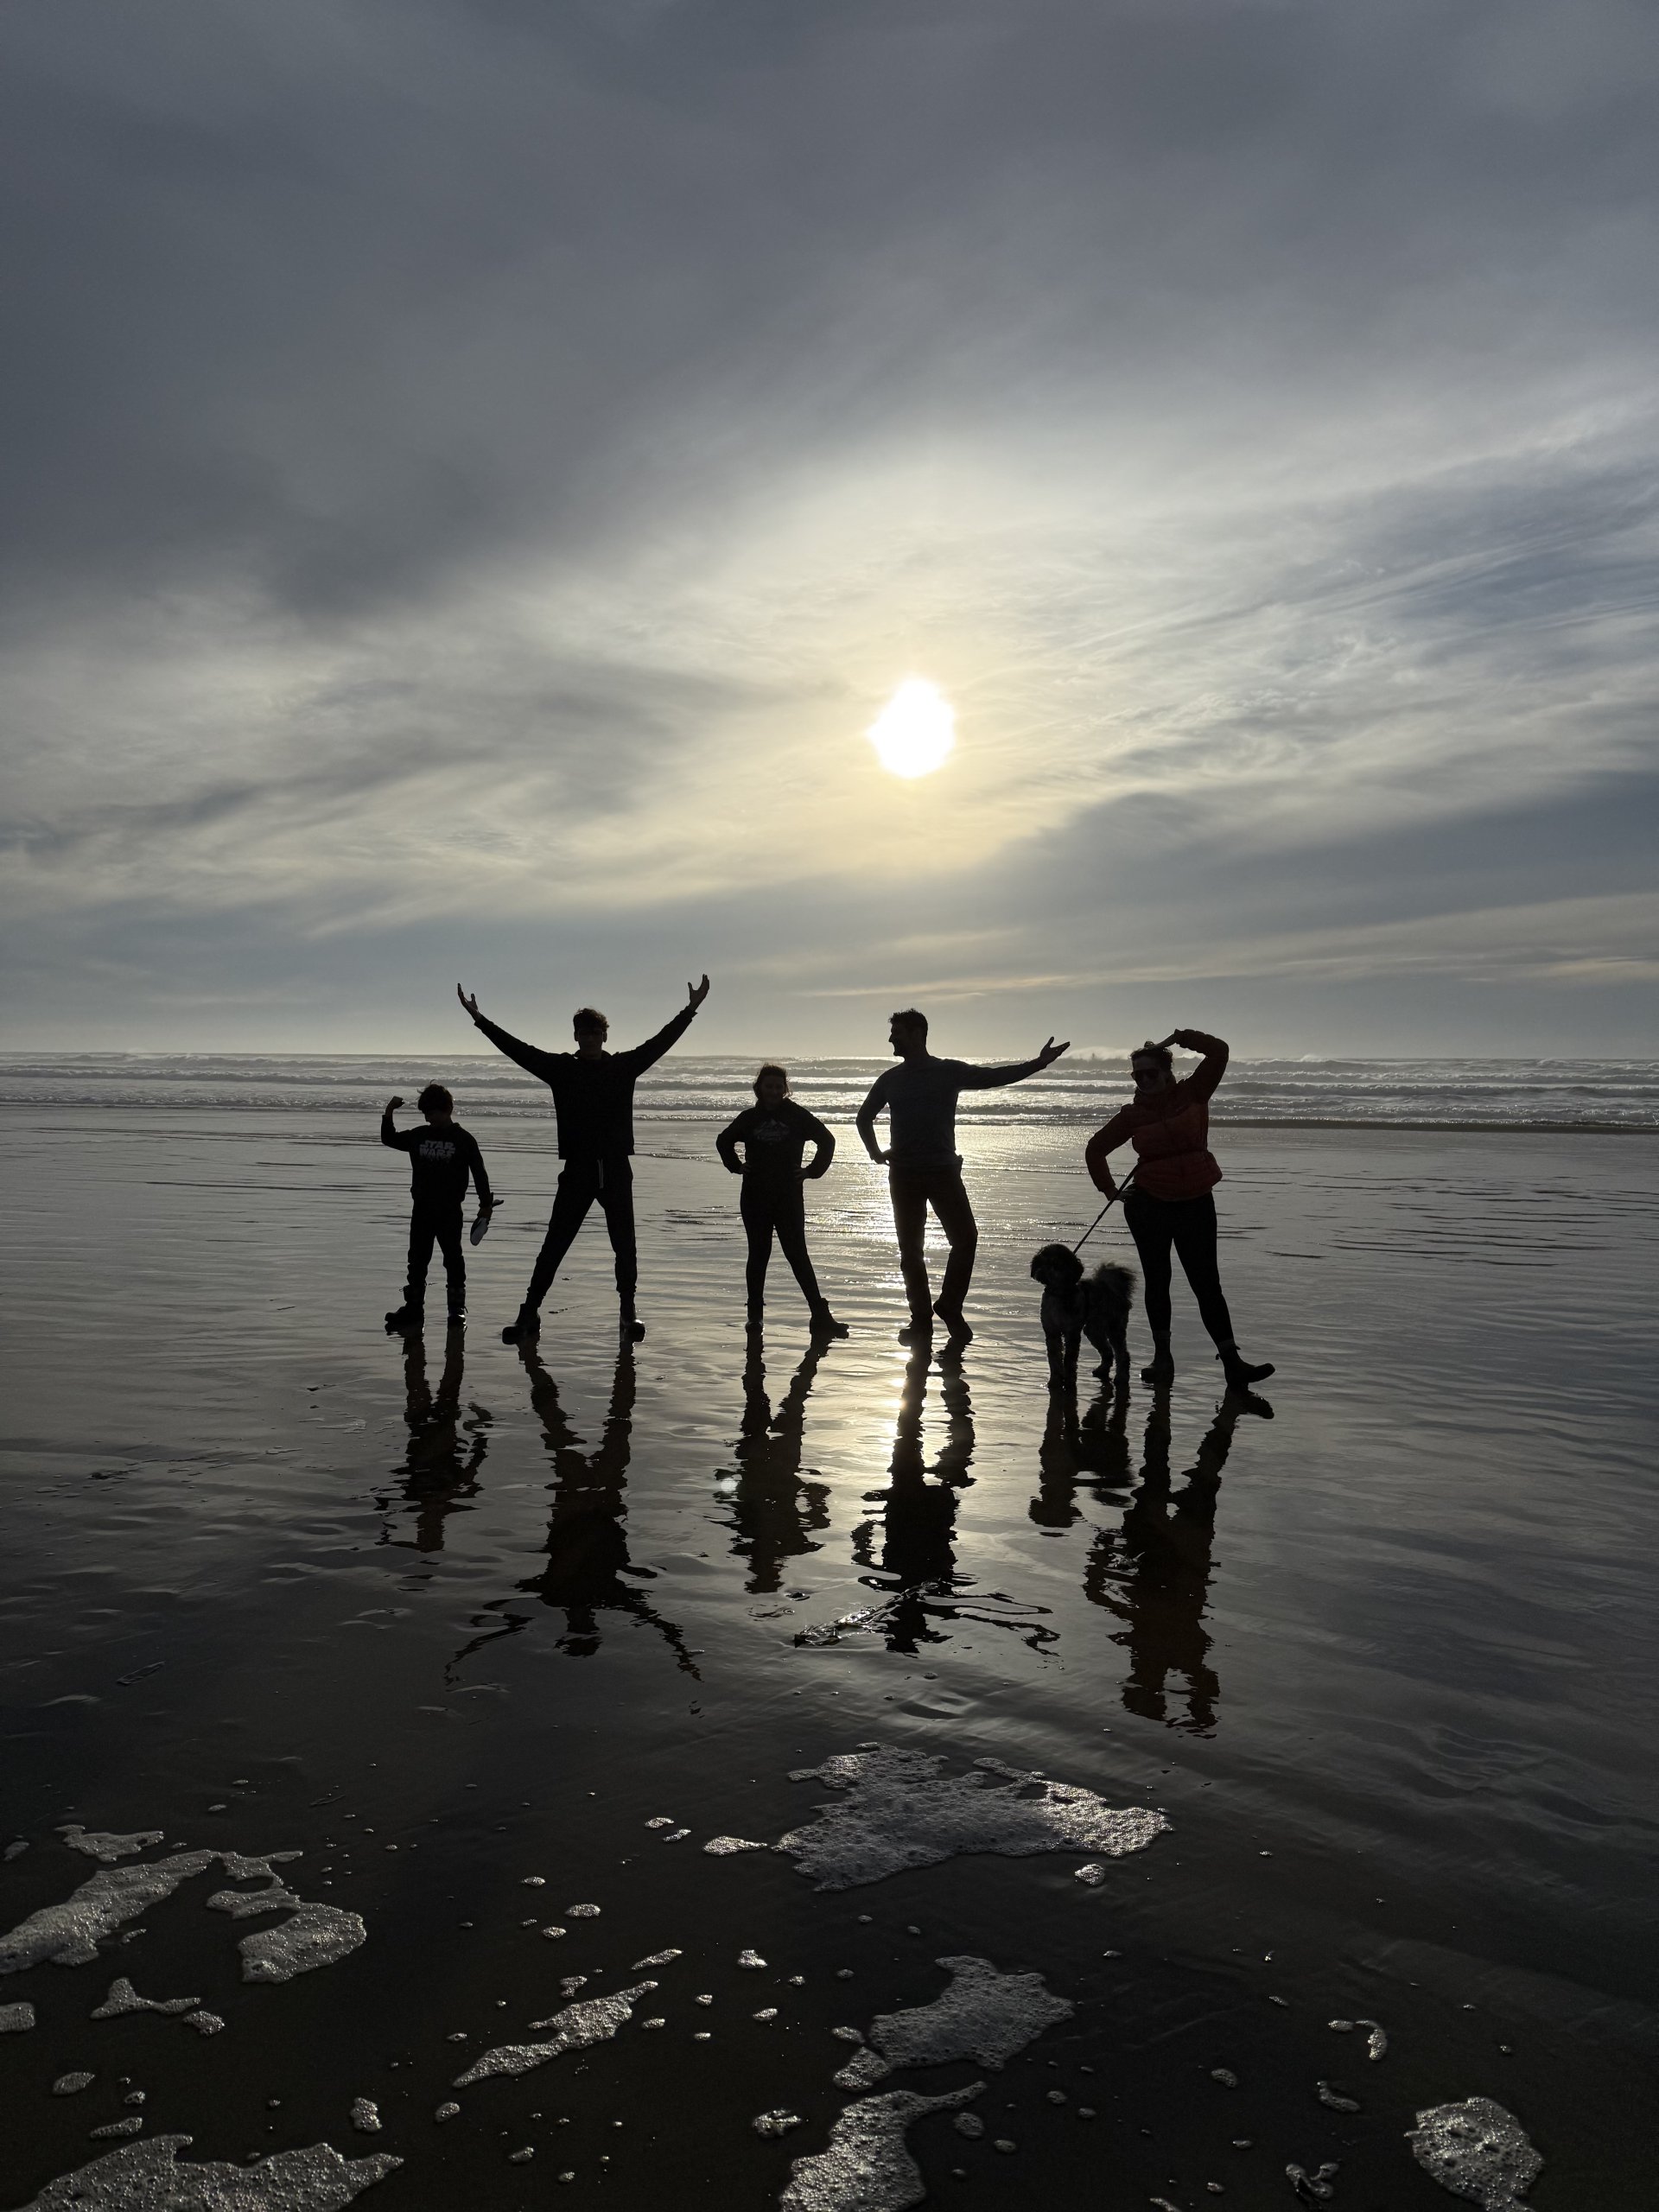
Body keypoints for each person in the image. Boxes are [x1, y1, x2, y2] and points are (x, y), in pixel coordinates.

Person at [456, 976, 709, 1343]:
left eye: (595, 1032)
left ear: (604, 1036)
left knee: (625, 1244)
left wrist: (690, 1009)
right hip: (578, 1169)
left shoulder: (622, 1067)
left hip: (617, 1169)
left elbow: (660, 1043)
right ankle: (528, 1314)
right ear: (576, 1037)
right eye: (583, 1033)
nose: (589, 1038)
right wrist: (479, 1019)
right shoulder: (562, 1070)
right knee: (555, 1244)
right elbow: (518, 1050)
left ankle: (628, 1313)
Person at [856, 1007, 1069, 1344]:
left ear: (917, 1034)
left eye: (897, 1032)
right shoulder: (889, 1079)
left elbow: (996, 1076)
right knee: (911, 1251)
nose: (891, 1038)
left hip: (942, 1171)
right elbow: (863, 1117)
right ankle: (921, 1320)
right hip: (905, 1176)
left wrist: (1038, 1063)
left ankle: (950, 1306)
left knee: (966, 1239)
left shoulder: (948, 1071)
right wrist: (875, 1152)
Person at [1084, 1031, 1274, 1392]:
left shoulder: (1194, 1092)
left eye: (1150, 1073)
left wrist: (1182, 1037)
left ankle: (1233, 1363)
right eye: (1137, 1075)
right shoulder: (1132, 1115)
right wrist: (1110, 1191)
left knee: (1207, 1284)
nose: (1143, 1080)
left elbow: (1219, 1051)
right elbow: (1095, 1150)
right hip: (1148, 1205)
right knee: (1159, 1281)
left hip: (1196, 1200)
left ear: (1167, 1072)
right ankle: (1162, 1359)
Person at [716, 1065, 847, 1335]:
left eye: (778, 1087)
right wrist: (736, 1166)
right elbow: (724, 1140)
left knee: (797, 1254)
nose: (774, 1091)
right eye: (769, 1086)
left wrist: (811, 1171)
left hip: (788, 1196)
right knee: (759, 1253)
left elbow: (827, 1140)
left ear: (785, 1090)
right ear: (759, 1089)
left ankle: (819, 1316)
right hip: (754, 1196)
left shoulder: (797, 1115)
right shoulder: (749, 1118)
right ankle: (755, 1317)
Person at [380, 1084, 495, 1332]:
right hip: (421, 1209)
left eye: (434, 1113)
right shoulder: (419, 1135)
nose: (431, 1119)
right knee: (417, 1260)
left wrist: (485, 1206)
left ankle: (456, 1310)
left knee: (453, 1259)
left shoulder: (464, 1140)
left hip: (450, 1211)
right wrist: (389, 1111)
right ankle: (413, 1310)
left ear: (449, 1109)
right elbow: (388, 1139)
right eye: (427, 1115)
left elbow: (479, 1173)